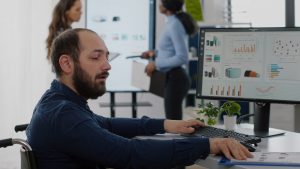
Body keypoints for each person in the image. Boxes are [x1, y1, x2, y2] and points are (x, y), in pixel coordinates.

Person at [26, 28, 252, 169]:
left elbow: (106, 124)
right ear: (66, 64)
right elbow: (129, 154)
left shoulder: (59, 102)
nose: (107, 65)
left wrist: (167, 125)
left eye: (107, 56)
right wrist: (209, 144)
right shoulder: (63, 114)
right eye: (96, 57)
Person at [141, 0, 198, 121]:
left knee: (173, 122)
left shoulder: (175, 25)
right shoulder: (171, 22)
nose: (159, 5)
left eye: (161, 2)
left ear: (167, 5)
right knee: (172, 121)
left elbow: (182, 57)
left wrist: (156, 63)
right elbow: (169, 49)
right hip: (171, 77)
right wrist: (154, 53)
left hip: (176, 78)